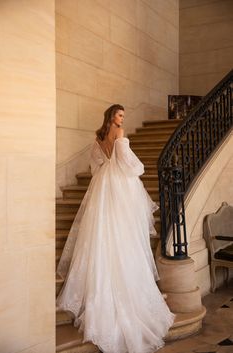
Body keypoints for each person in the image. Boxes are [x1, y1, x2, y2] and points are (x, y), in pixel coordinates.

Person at [56, 104, 176, 353]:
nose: (122, 119)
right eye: (120, 115)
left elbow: (95, 165)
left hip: (102, 185)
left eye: (123, 115)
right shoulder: (119, 134)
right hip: (119, 185)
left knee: (102, 233)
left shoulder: (98, 137)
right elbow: (128, 163)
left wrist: (105, 175)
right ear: (113, 116)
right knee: (124, 234)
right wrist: (138, 169)